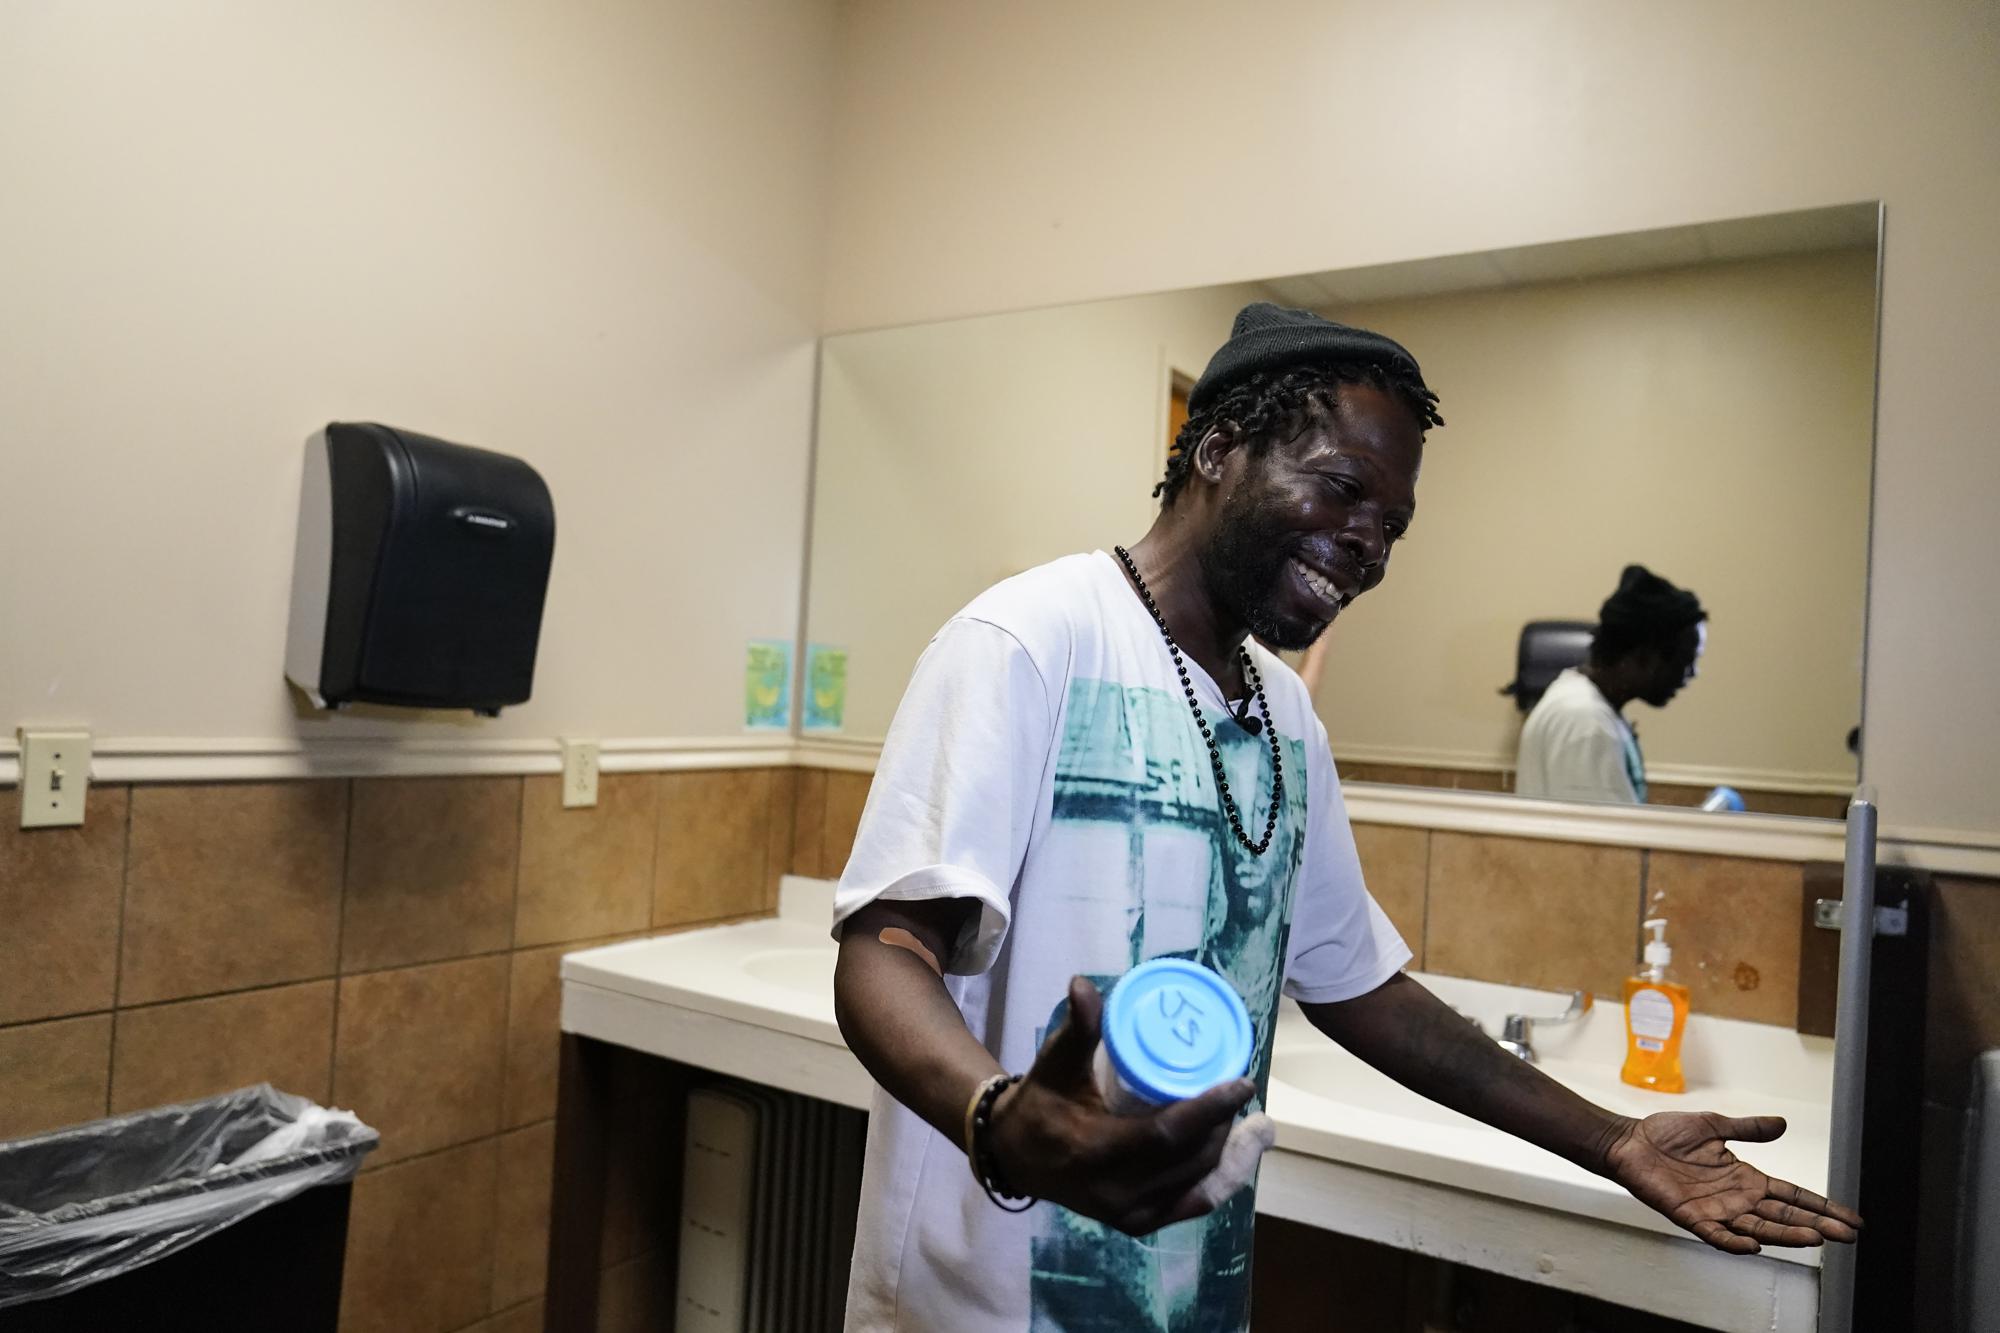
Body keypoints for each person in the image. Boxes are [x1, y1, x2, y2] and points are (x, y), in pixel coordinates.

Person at [830, 303, 1858, 1331]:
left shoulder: (1282, 714)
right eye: (1342, 489)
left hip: (1187, 1292)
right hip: (979, 1300)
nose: (1367, 543)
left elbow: (1357, 985)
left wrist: (1612, 1139)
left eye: (1392, 524)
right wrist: (1001, 1119)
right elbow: (885, 950)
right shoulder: (1027, 640)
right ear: (1218, 450)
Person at [1516, 566, 1707, 804]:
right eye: (1685, 662)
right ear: (1643, 656)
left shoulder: (1587, 704)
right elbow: (1605, 839)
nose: (1691, 674)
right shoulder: (1585, 722)